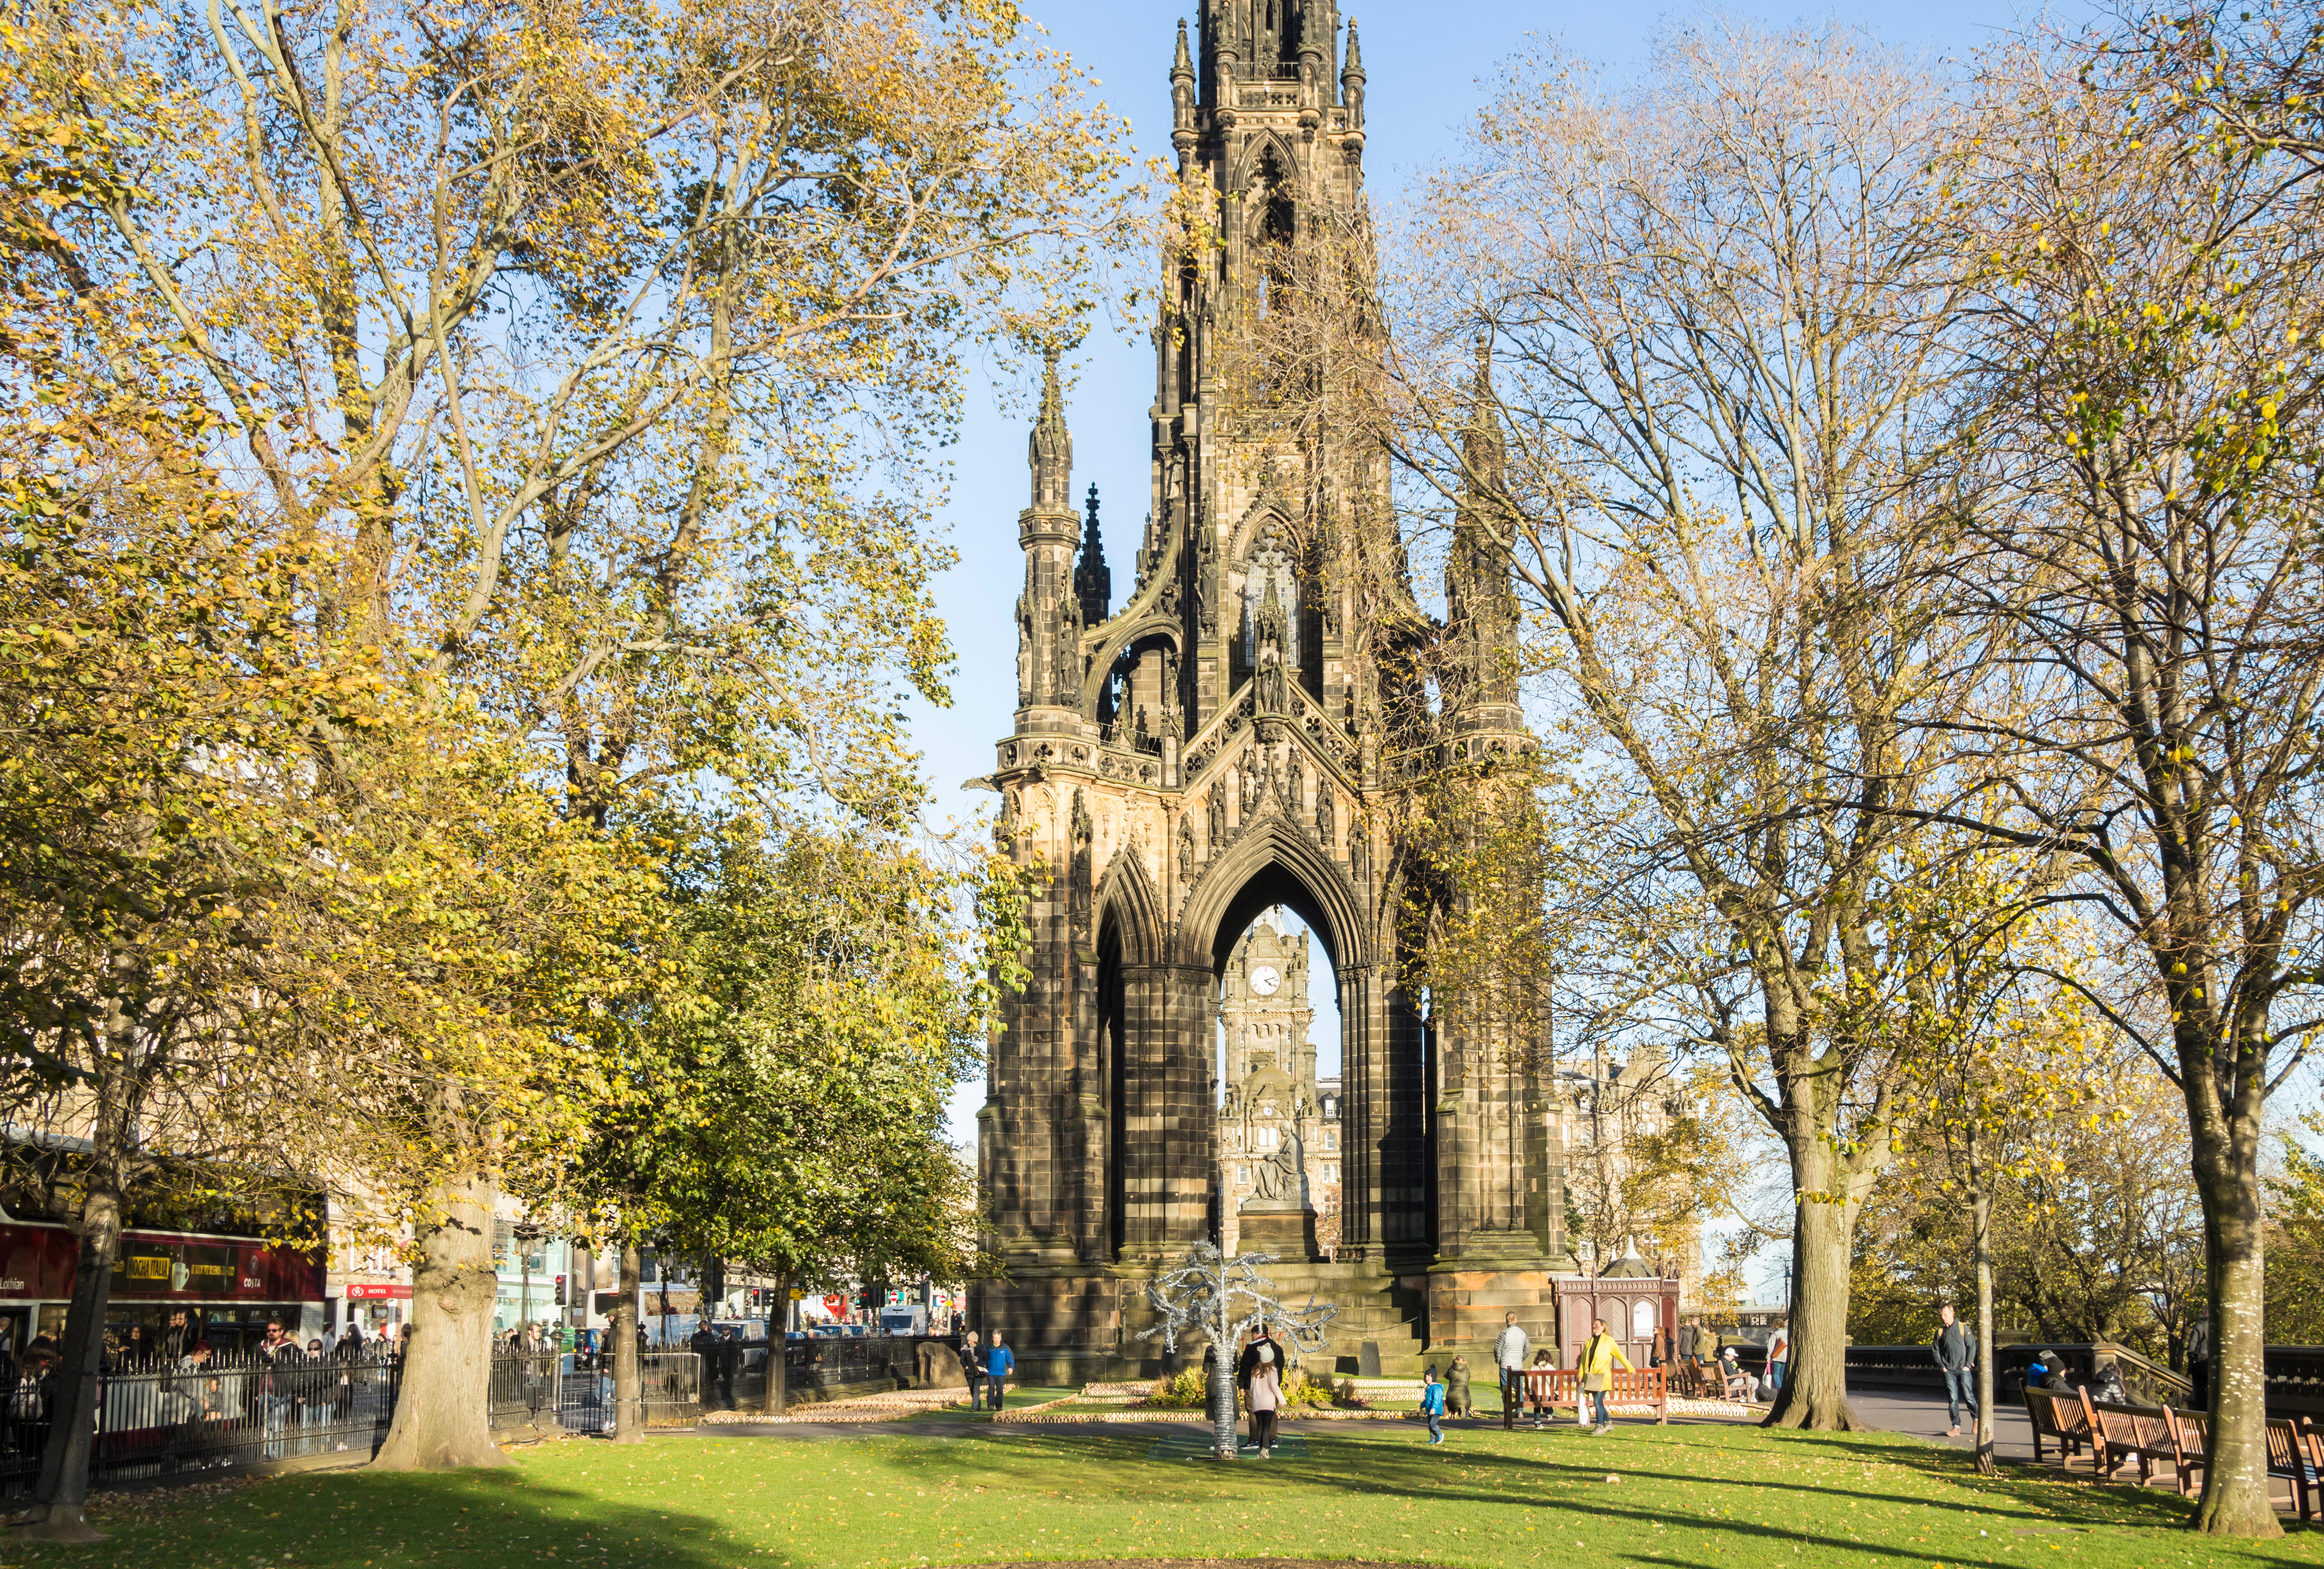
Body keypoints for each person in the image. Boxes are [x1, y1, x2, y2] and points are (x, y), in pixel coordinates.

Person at [1576, 1317, 1632, 1436]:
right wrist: (1581, 1375)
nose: (1594, 1326)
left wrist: (1630, 1369)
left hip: (1603, 1377)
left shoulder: (1609, 1341)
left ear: (1603, 1327)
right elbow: (1583, 1361)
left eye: (1596, 1324)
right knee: (1599, 1402)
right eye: (1593, 1324)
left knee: (1597, 1402)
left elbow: (1620, 1355)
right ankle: (1608, 1423)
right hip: (1591, 1377)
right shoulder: (1588, 1342)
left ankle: (1599, 1426)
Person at [1932, 1303, 1976, 1437]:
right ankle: (1956, 1427)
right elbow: (1936, 1351)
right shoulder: (1940, 1332)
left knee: (1969, 1396)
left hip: (1963, 1369)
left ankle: (1976, 1419)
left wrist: (1968, 1365)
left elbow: (1972, 1346)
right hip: (1949, 1370)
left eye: (1945, 1314)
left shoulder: (1963, 1328)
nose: (1942, 1316)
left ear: (1952, 1314)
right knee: (1953, 1400)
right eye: (1941, 1314)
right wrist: (1942, 1367)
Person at [1493, 1311, 1530, 1432]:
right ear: (1516, 1320)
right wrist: (1522, 1358)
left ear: (1506, 1321)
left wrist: (1498, 1359)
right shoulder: (1522, 1333)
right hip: (1518, 1366)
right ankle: (1519, 1411)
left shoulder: (1504, 1333)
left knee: (1506, 1388)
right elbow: (1528, 1348)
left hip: (1505, 1365)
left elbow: (1497, 1348)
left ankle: (1507, 1410)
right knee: (1519, 1388)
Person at [1248, 1341, 1282, 1457]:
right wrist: (1282, 1399)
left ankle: (1262, 1450)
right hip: (1268, 1403)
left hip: (1258, 1403)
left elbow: (1252, 1389)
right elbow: (1274, 1386)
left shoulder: (1255, 1371)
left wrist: (1254, 1400)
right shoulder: (1272, 1370)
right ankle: (1264, 1450)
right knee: (1267, 1426)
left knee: (1260, 1426)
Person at [2186, 1313, 2211, 1411]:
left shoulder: (2200, 1326)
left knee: (2199, 1393)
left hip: (2200, 1365)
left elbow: (2192, 1345)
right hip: (2213, 1364)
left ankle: (2200, 1417)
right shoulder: (2217, 1326)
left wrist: (2192, 1357)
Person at [983, 1329, 1012, 1411]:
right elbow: (983, 1358)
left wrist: (1011, 1367)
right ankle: (990, 1405)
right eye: (995, 1338)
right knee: (991, 1388)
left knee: (1000, 1390)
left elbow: (1010, 1358)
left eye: (998, 1338)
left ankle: (999, 1406)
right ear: (992, 1338)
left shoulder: (1005, 1348)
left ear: (1001, 1338)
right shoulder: (987, 1347)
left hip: (1001, 1373)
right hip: (990, 1372)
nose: (997, 1340)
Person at [1419, 1363, 1447, 1446]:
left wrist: (1434, 1408)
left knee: (1432, 1424)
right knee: (1430, 1426)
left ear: (1433, 1377)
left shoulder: (1437, 1388)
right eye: (1426, 1376)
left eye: (1429, 1376)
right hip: (1429, 1409)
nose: (1427, 1378)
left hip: (1436, 1410)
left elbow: (1437, 1399)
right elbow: (1427, 1400)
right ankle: (1432, 1439)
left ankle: (1439, 1434)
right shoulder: (1429, 1387)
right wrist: (1421, 1406)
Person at [1527, 1348, 1556, 1427]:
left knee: (1537, 1404)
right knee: (1546, 1401)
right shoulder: (1552, 1369)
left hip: (1535, 1395)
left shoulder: (1533, 1369)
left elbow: (1530, 1382)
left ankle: (1537, 1422)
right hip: (1548, 1395)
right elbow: (1555, 1383)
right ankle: (1548, 1411)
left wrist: (1530, 1392)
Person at [1766, 1325, 1790, 1397]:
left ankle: (1780, 1389)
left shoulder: (1775, 1334)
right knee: (1782, 1374)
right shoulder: (1788, 1333)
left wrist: (1768, 1357)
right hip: (1786, 1357)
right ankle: (1784, 1390)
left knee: (1776, 1373)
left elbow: (1771, 1347)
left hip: (1777, 1357)